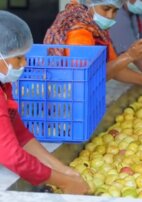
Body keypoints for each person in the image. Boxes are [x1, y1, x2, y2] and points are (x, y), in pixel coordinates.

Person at [0, 11, 89, 194]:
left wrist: (65, 172)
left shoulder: (4, 85)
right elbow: (13, 157)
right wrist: (64, 182)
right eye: (18, 58)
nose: (24, 63)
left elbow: (20, 135)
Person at [44, 0, 142, 100]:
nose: (110, 16)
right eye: (105, 9)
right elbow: (89, 76)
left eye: (115, 11)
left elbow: (116, 69)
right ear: (89, 2)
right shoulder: (79, 32)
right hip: (65, 100)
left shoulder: (97, 30)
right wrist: (129, 56)